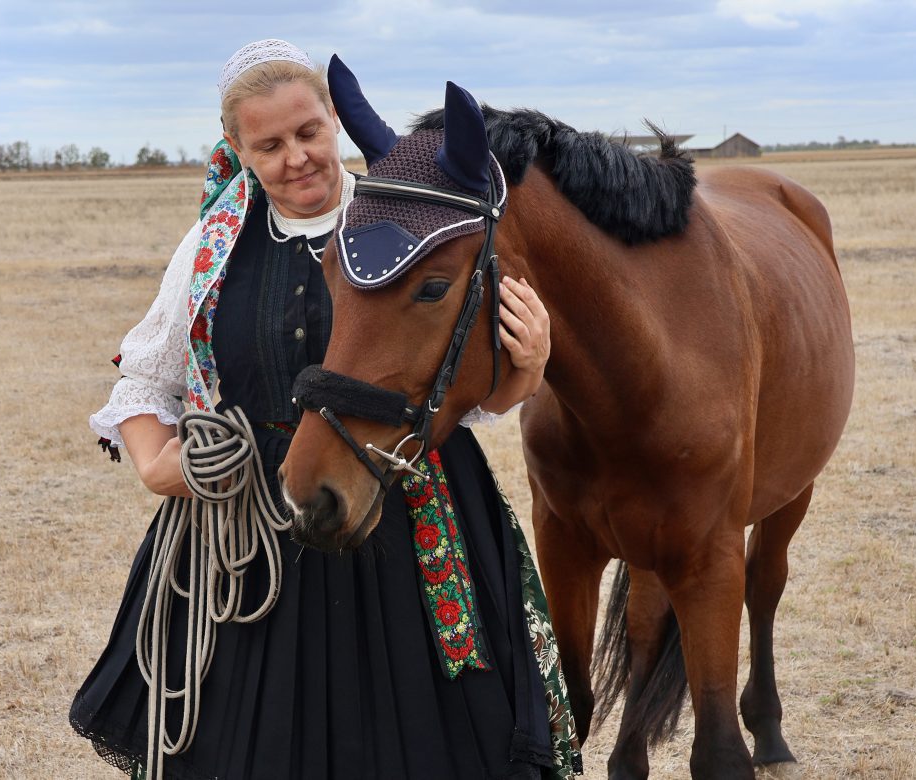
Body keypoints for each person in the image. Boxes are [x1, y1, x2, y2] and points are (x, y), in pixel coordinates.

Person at [70, 39, 581, 780]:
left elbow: (468, 400)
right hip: (253, 525)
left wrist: (525, 370)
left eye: (308, 133)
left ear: (335, 122)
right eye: (269, 144)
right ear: (238, 150)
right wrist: (154, 464)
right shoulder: (214, 245)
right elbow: (149, 377)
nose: (297, 157)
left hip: (410, 509)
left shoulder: (405, 220)